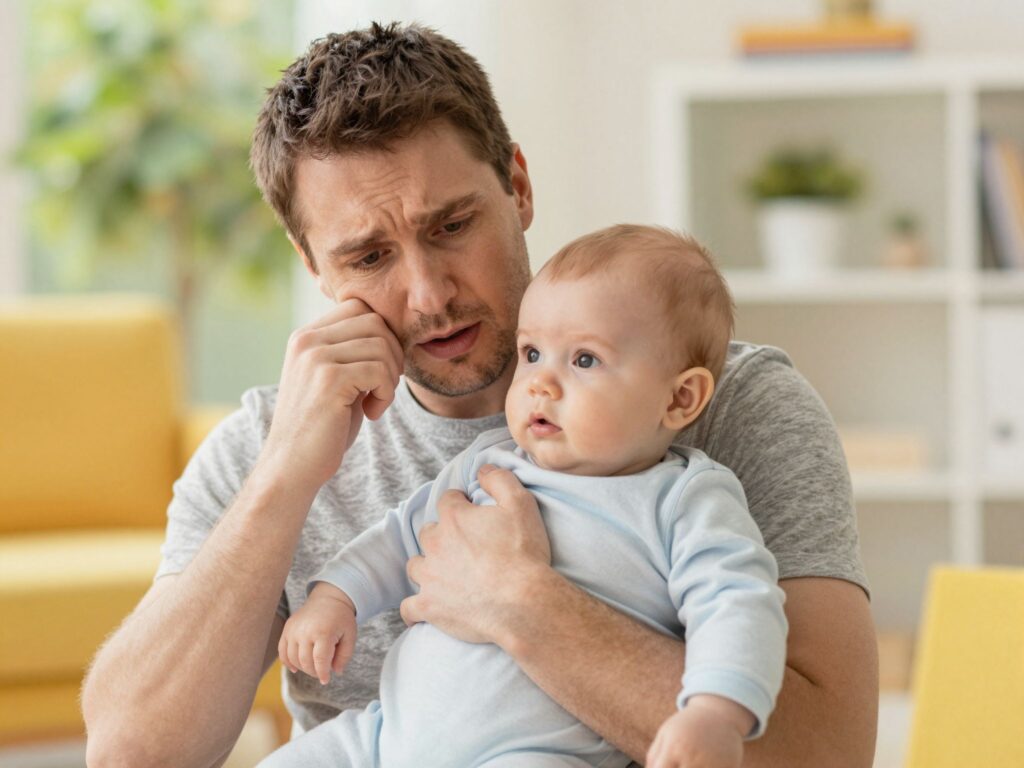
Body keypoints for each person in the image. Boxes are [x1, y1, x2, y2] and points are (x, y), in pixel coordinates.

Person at [81, 22, 878, 768]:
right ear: (312, 265)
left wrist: (523, 605)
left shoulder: (727, 407)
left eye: (452, 226)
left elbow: (830, 753)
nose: (428, 295)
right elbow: (129, 753)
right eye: (367, 257)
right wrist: (284, 480)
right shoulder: (269, 442)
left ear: (518, 188)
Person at [259, 225, 788, 768]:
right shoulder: (490, 462)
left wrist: (714, 713)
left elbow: (737, 605)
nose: (540, 383)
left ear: (680, 398)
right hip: (382, 737)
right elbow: (399, 537)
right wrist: (334, 600)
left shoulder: (685, 499)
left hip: (535, 754)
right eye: (532, 352)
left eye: (584, 360)